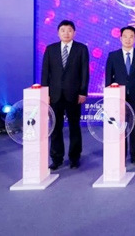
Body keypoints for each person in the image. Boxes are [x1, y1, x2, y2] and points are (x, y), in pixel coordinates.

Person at [41, 20, 89, 170]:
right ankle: (56, 158)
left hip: (74, 95)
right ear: (58, 33)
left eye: (69, 30)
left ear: (74, 32)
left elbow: (84, 72)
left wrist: (83, 92)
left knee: (74, 127)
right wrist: (45, 93)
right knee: (56, 127)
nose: (66, 33)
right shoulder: (51, 49)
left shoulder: (81, 49)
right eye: (63, 30)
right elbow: (45, 73)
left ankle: (74, 157)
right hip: (54, 95)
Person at [105, 26, 135, 167]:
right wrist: (109, 96)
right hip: (118, 98)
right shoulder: (113, 56)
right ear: (120, 38)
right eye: (125, 36)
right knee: (120, 127)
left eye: (131, 36)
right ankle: (121, 155)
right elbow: (108, 78)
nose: (128, 39)